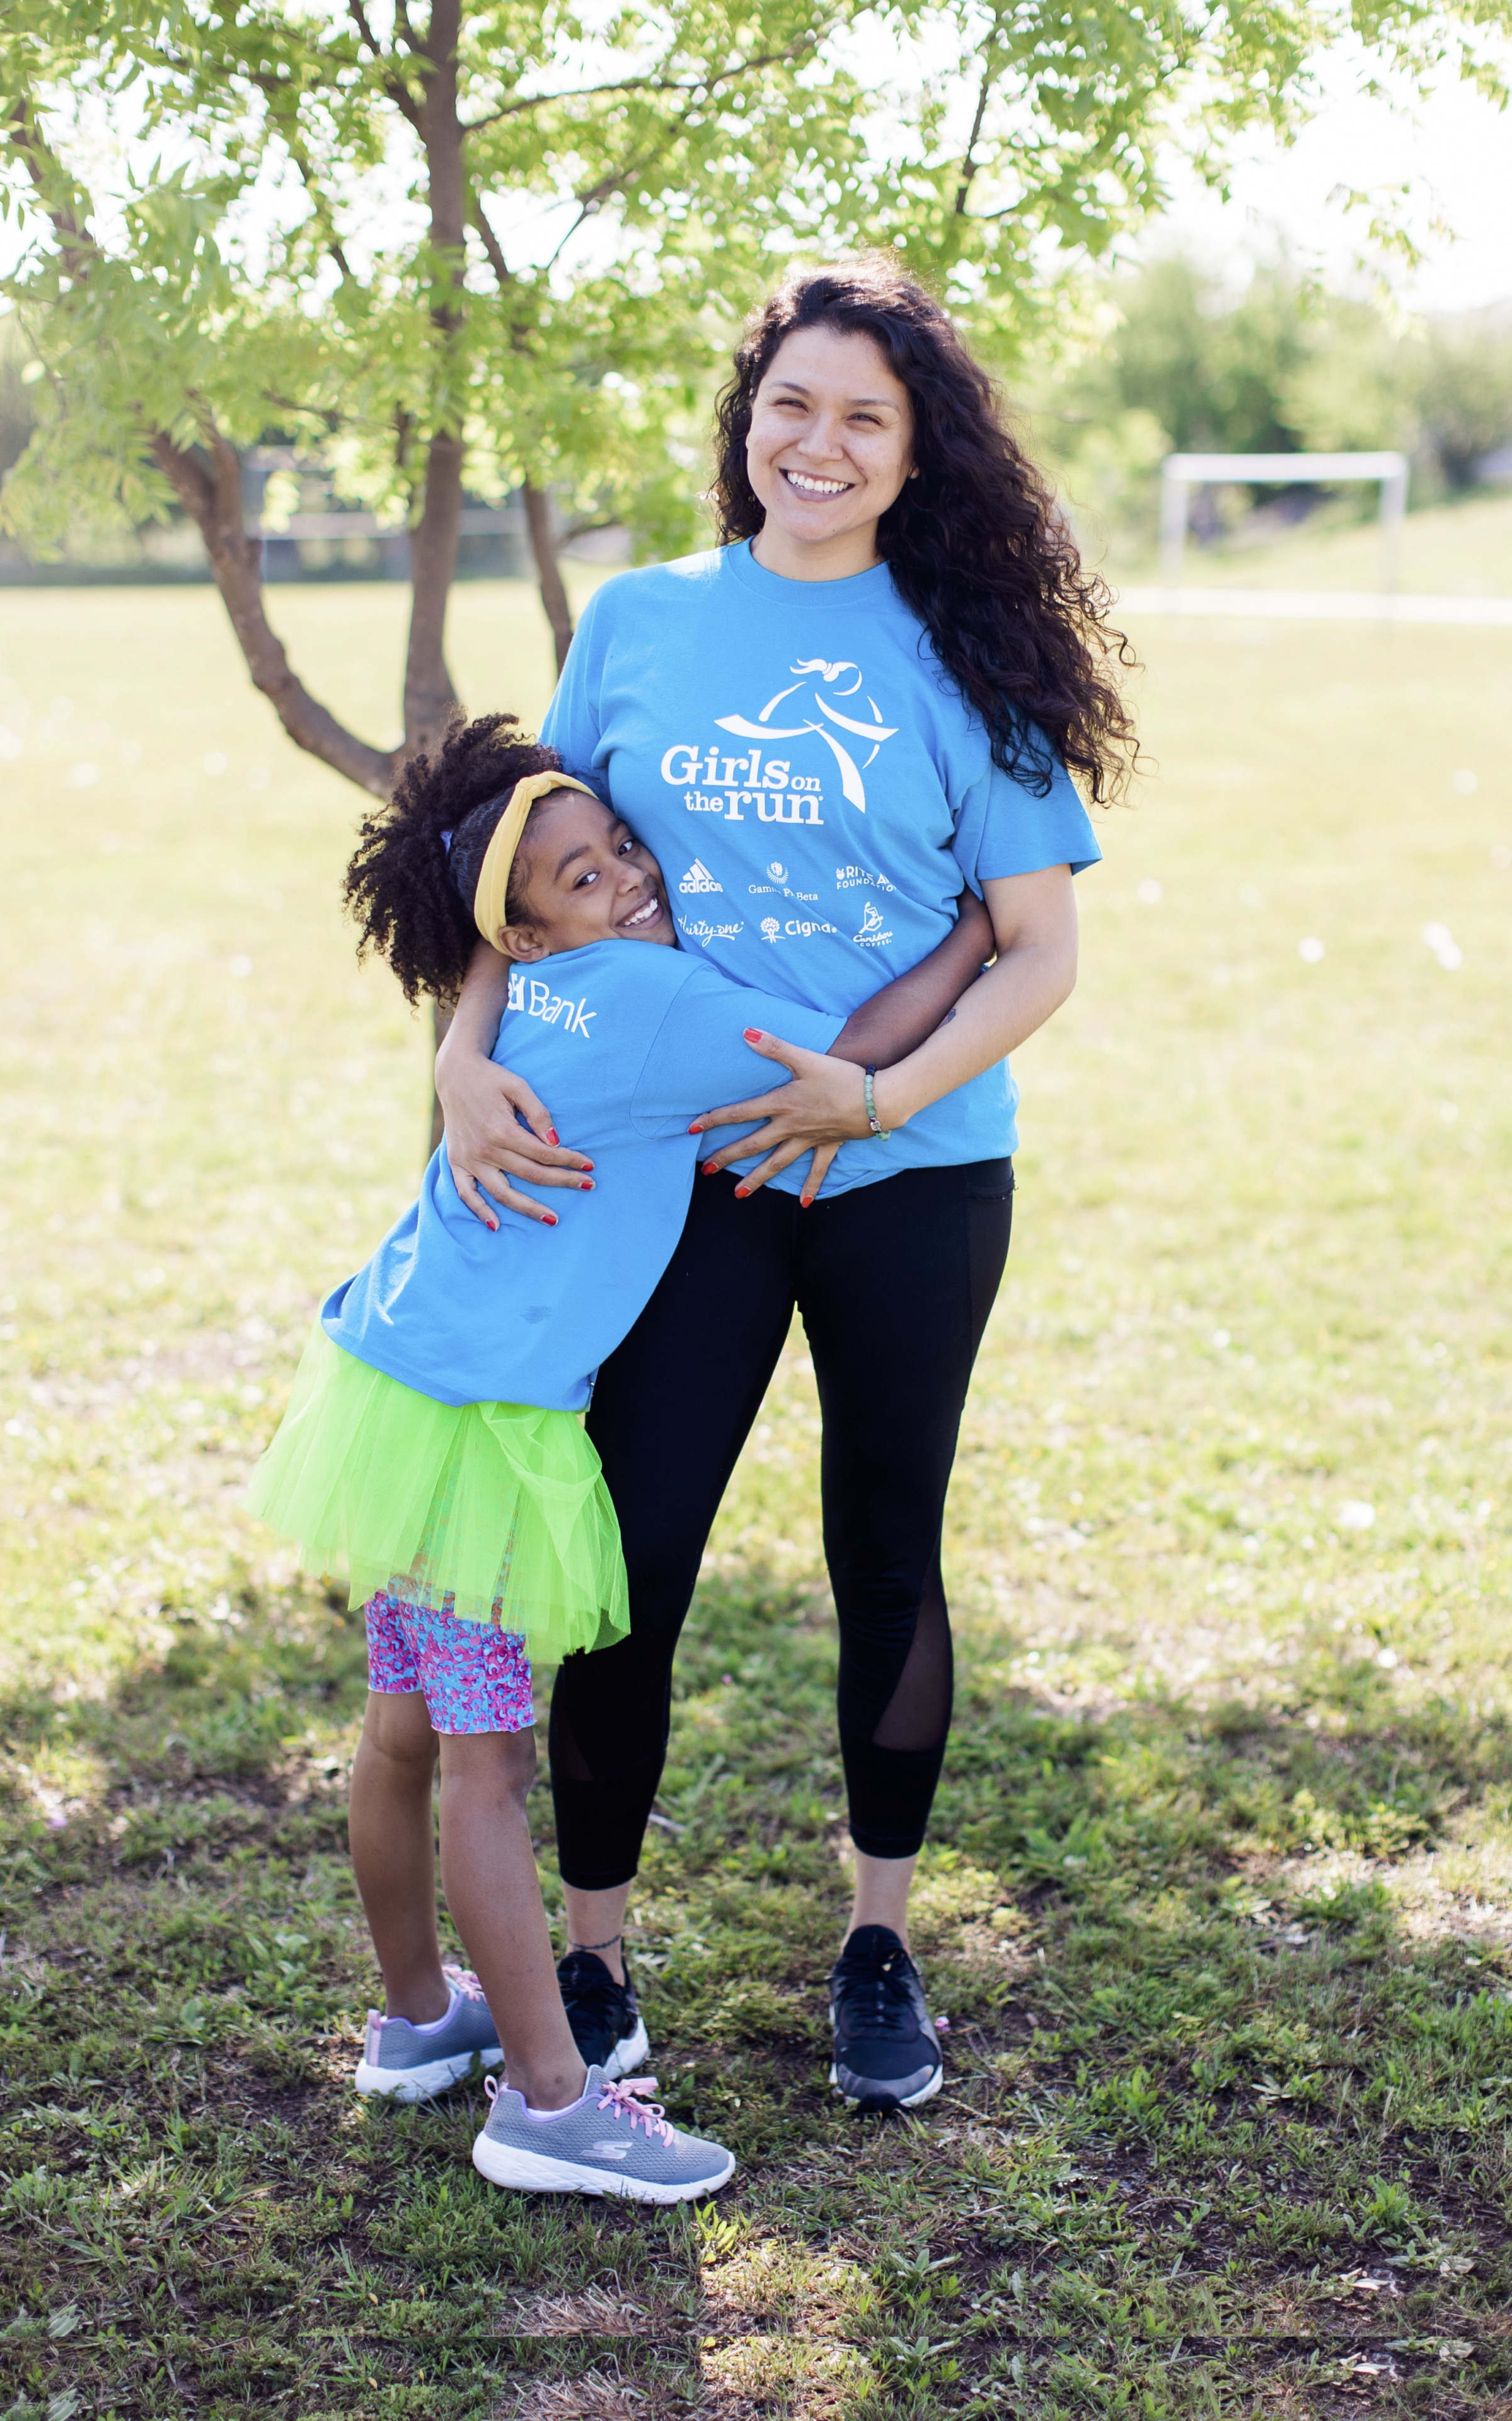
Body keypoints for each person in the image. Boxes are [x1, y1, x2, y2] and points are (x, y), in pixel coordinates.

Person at [432, 259, 1134, 2113]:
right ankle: (591, 1961)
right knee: (630, 1557)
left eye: (864, 419)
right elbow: (523, 872)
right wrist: (459, 1056)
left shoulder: (967, 647)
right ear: (746, 422)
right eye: (791, 407)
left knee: (884, 1555)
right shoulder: (645, 623)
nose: (819, 446)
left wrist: (874, 1092)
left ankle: (881, 1940)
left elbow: (1036, 950)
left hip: (912, 1172)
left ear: (916, 456)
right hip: (681, 1175)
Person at [246, 712, 994, 2194]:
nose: (629, 878)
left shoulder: (528, 996)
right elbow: (831, 1058)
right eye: (583, 878)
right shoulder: (654, 1003)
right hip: (481, 1423)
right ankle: (544, 2102)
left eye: (621, 849)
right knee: (483, 1767)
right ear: (522, 929)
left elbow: (501, 956)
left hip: (397, 1381)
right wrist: (973, 940)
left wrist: (486, 982)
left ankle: (413, 2023)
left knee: (400, 1730)